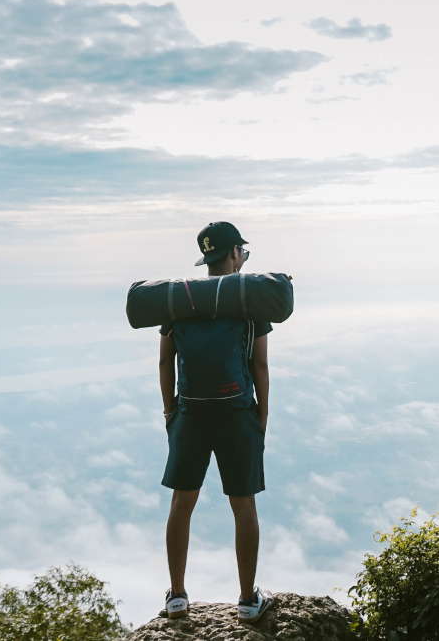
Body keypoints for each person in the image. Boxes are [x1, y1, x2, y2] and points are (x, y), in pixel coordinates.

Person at [159, 221, 274, 623]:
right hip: (237, 413)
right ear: (234, 253)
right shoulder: (249, 301)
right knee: (243, 505)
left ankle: (177, 596)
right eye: (242, 251)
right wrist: (261, 415)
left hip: (190, 414)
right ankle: (247, 600)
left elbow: (165, 360)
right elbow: (260, 365)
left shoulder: (180, 300)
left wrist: (171, 412)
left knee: (182, 502)